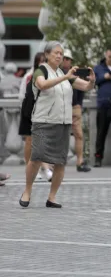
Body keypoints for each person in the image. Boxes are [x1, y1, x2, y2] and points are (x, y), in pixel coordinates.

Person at [19, 41, 96, 208]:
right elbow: (42, 84)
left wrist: (92, 81)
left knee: (60, 161)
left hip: (63, 123)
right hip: (42, 121)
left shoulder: (63, 73)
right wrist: (66, 77)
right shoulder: (41, 70)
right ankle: (27, 190)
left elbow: (86, 86)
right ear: (47, 55)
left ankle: (52, 197)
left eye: (61, 53)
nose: (59, 56)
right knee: (36, 157)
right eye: (56, 53)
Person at [18, 52, 53, 181]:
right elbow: (22, 95)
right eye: (40, 61)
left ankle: (45, 169)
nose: (42, 64)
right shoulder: (29, 76)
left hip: (43, 111)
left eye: (44, 61)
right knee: (29, 141)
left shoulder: (50, 75)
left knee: (41, 141)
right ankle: (31, 168)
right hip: (29, 110)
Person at [61, 49, 91, 172]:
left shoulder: (75, 73)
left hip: (74, 107)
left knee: (79, 135)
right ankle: (56, 162)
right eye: (65, 58)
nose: (66, 61)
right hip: (61, 107)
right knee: (60, 136)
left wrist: (79, 104)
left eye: (68, 59)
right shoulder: (57, 73)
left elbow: (82, 89)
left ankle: (80, 162)